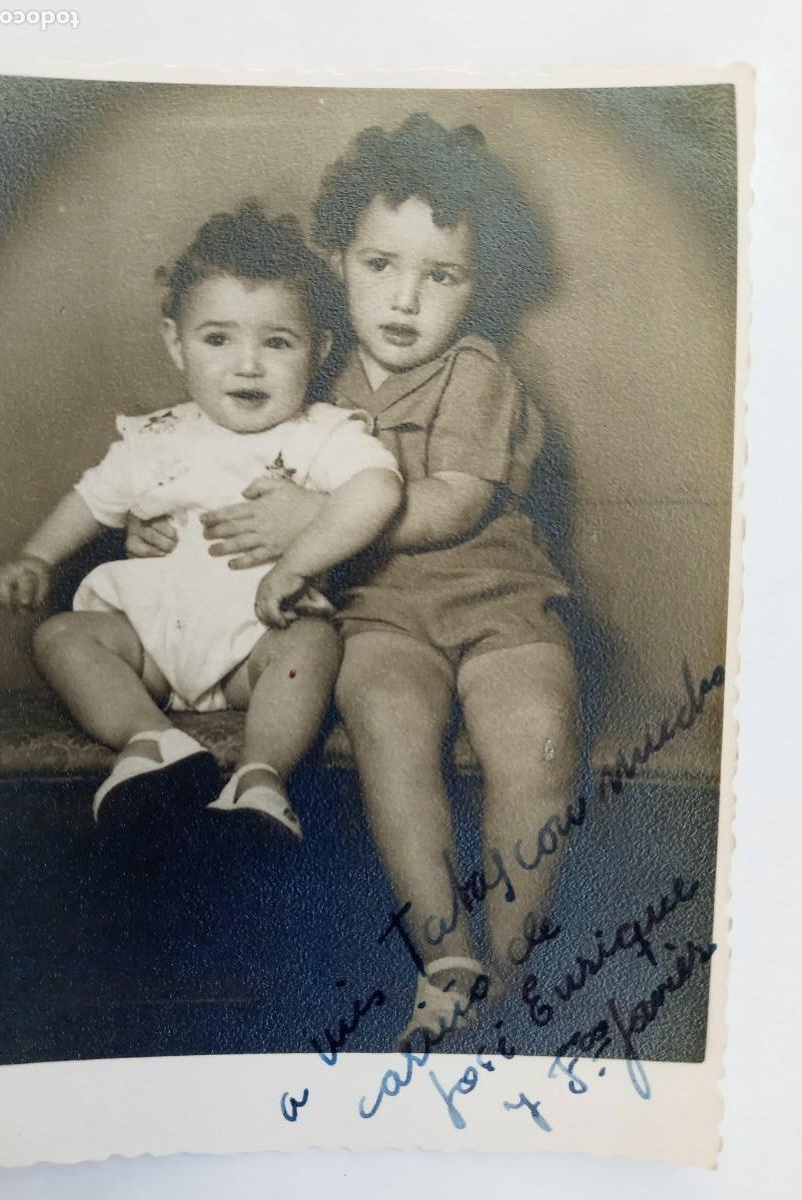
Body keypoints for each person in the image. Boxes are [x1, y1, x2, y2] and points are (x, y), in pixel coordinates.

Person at [131, 116, 580, 1046]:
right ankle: (447, 959)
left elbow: (452, 504)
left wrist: (312, 523)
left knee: (536, 734)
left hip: (499, 601)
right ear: (336, 256)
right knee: (386, 724)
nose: (405, 298)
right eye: (380, 265)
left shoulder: (476, 372)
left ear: (477, 286)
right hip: (376, 614)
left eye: (440, 275)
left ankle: (515, 970)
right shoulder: (310, 366)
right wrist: (162, 516)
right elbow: (224, 452)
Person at [0, 203, 402, 838]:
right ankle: (150, 742)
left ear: (317, 349)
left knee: (312, 646)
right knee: (63, 636)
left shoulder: (323, 435)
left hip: (253, 648)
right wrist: (38, 557)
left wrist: (297, 561)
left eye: (277, 342)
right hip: (149, 646)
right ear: (175, 344)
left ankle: (261, 777)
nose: (248, 365)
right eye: (217, 339)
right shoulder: (157, 436)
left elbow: (378, 491)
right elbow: (93, 497)